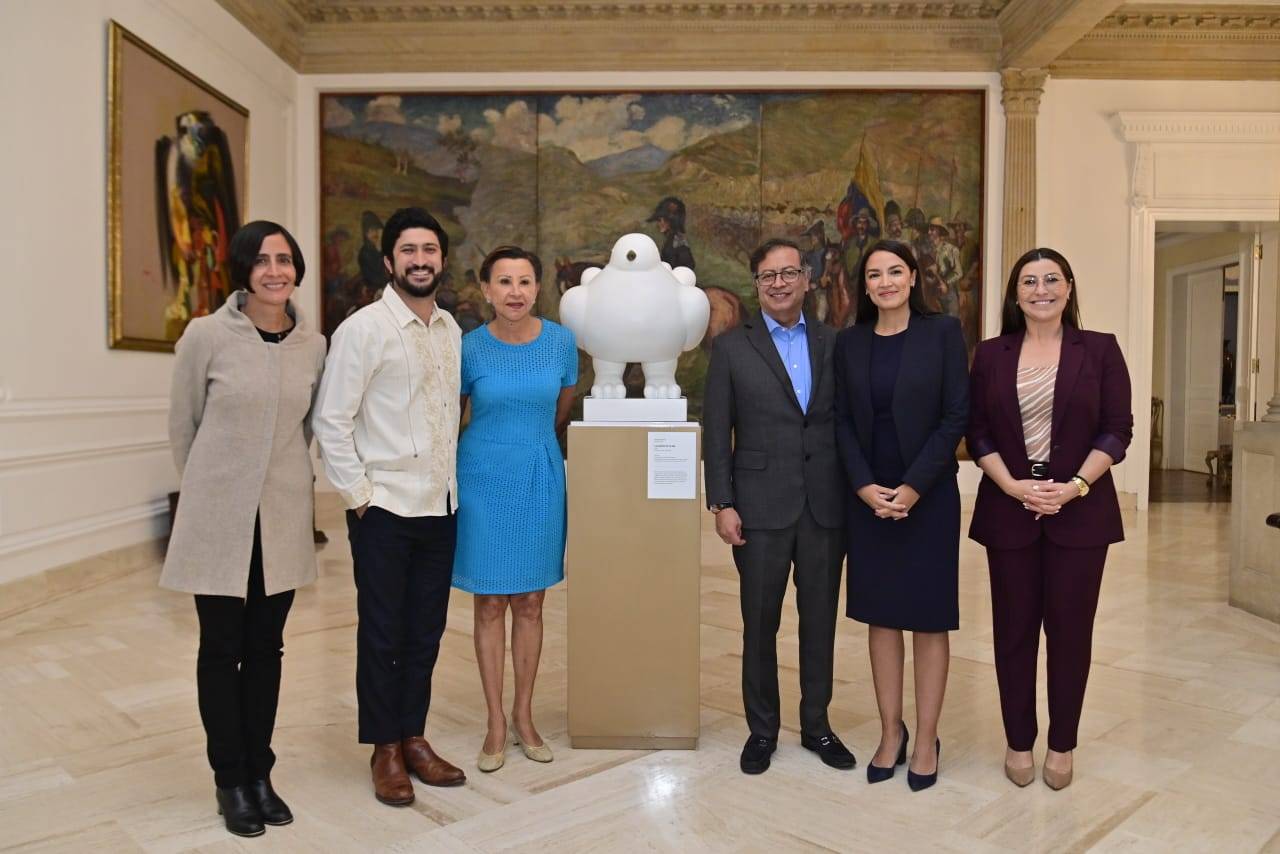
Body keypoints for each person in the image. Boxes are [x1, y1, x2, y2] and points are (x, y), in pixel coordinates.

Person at [161, 221, 326, 838]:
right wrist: (213, 490)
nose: (274, 271)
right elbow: (185, 426)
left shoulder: (314, 344)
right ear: (242, 270)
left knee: (268, 651)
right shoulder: (206, 336)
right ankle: (229, 779)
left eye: (284, 260)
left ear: (297, 268)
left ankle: (260, 772)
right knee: (220, 649)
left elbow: (308, 428)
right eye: (261, 261)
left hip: (281, 519)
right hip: (218, 519)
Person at [312, 206, 467, 807]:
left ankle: (414, 737)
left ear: (443, 260)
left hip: (440, 508)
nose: (420, 260)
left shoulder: (451, 330)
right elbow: (332, 420)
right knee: (382, 633)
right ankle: (384, 748)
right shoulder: (364, 329)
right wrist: (360, 500)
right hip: (384, 511)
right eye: (409, 250)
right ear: (389, 260)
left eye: (430, 249)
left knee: (425, 631)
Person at [967, 247, 1133, 791]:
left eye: (1052, 279)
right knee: (1013, 634)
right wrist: (1013, 485)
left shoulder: (1101, 350)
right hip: (1008, 510)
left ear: (1068, 288)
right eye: (1029, 281)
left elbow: (1117, 428)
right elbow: (979, 431)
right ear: (1015, 294)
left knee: (1070, 634)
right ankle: (1018, 741)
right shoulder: (991, 354)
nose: (1041, 289)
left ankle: (1062, 745)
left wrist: (1077, 485)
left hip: (1081, 513)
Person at [703, 238, 853, 776]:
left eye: (790, 273)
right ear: (757, 285)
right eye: (768, 277)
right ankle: (762, 731)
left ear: (808, 279)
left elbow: (847, 426)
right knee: (758, 624)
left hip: (824, 508)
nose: (780, 284)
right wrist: (721, 501)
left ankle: (817, 725)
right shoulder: (730, 349)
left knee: (819, 623)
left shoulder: (836, 343)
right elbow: (718, 432)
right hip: (759, 509)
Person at [832, 240, 969, 792]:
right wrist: (865, 487)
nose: (885, 282)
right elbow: (840, 419)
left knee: (929, 619)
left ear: (913, 278)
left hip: (928, 496)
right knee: (882, 617)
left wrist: (912, 488)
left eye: (895, 271)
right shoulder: (850, 343)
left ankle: (929, 737)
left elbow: (956, 414)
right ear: (864, 286)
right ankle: (892, 732)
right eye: (874, 274)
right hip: (868, 498)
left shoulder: (942, 333)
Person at [452, 245, 578, 772]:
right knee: (488, 604)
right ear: (485, 289)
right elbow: (453, 415)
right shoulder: (468, 348)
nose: (515, 292)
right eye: (504, 282)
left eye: (525, 281)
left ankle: (524, 717)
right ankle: (494, 723)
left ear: (537, 288)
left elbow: (561, 408)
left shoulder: (562, 343)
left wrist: (531, 448)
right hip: (481, 479)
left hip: (539, 476)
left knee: (530, 601)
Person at [646, 195, 696, 270]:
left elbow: (687, 267)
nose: (659, 223)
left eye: (661, 220)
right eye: (659, 220)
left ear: (672, 221)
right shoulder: (674, 240)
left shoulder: (678, 242)